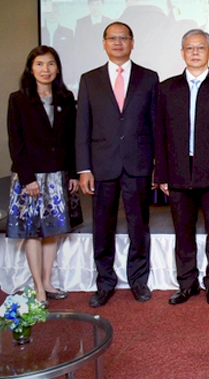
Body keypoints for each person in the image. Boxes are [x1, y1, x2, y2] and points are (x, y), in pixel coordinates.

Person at [75, 22, 159, 308]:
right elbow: (82, 127)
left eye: (124, 38)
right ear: (104, 43)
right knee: (102, 225)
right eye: (113, 38)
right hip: (102, 165)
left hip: (138, 163)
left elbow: (155, 125)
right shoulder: (89, 80)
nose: (118, 42)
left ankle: (138, 279)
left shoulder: (149, 78)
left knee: (139, 224)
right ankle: (105, 281)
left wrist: (157, 164)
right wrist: (84, 168)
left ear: (132, 43)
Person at [155, 29, 209, 306]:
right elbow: (160, 135)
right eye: (189, 48)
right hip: (178, 173)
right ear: (182, 53)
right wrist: (162, 174)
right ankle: (187, 283)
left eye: (200, 48)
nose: (194, 53)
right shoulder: (166, 89)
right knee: (183, 232)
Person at [7, 46, 79, 306]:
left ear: (57, 68)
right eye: (39, 64)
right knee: (33, 232)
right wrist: (28, 178)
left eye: (50, 64)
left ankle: (48, 281)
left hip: (58, 174)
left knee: (51, 231)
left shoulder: (66, 97)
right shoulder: (18, 99)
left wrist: (72, 173)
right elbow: (16, 142)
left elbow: (72, 140)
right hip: (31, 178)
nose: (45, 70)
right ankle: (38, 286)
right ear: (31, 68)